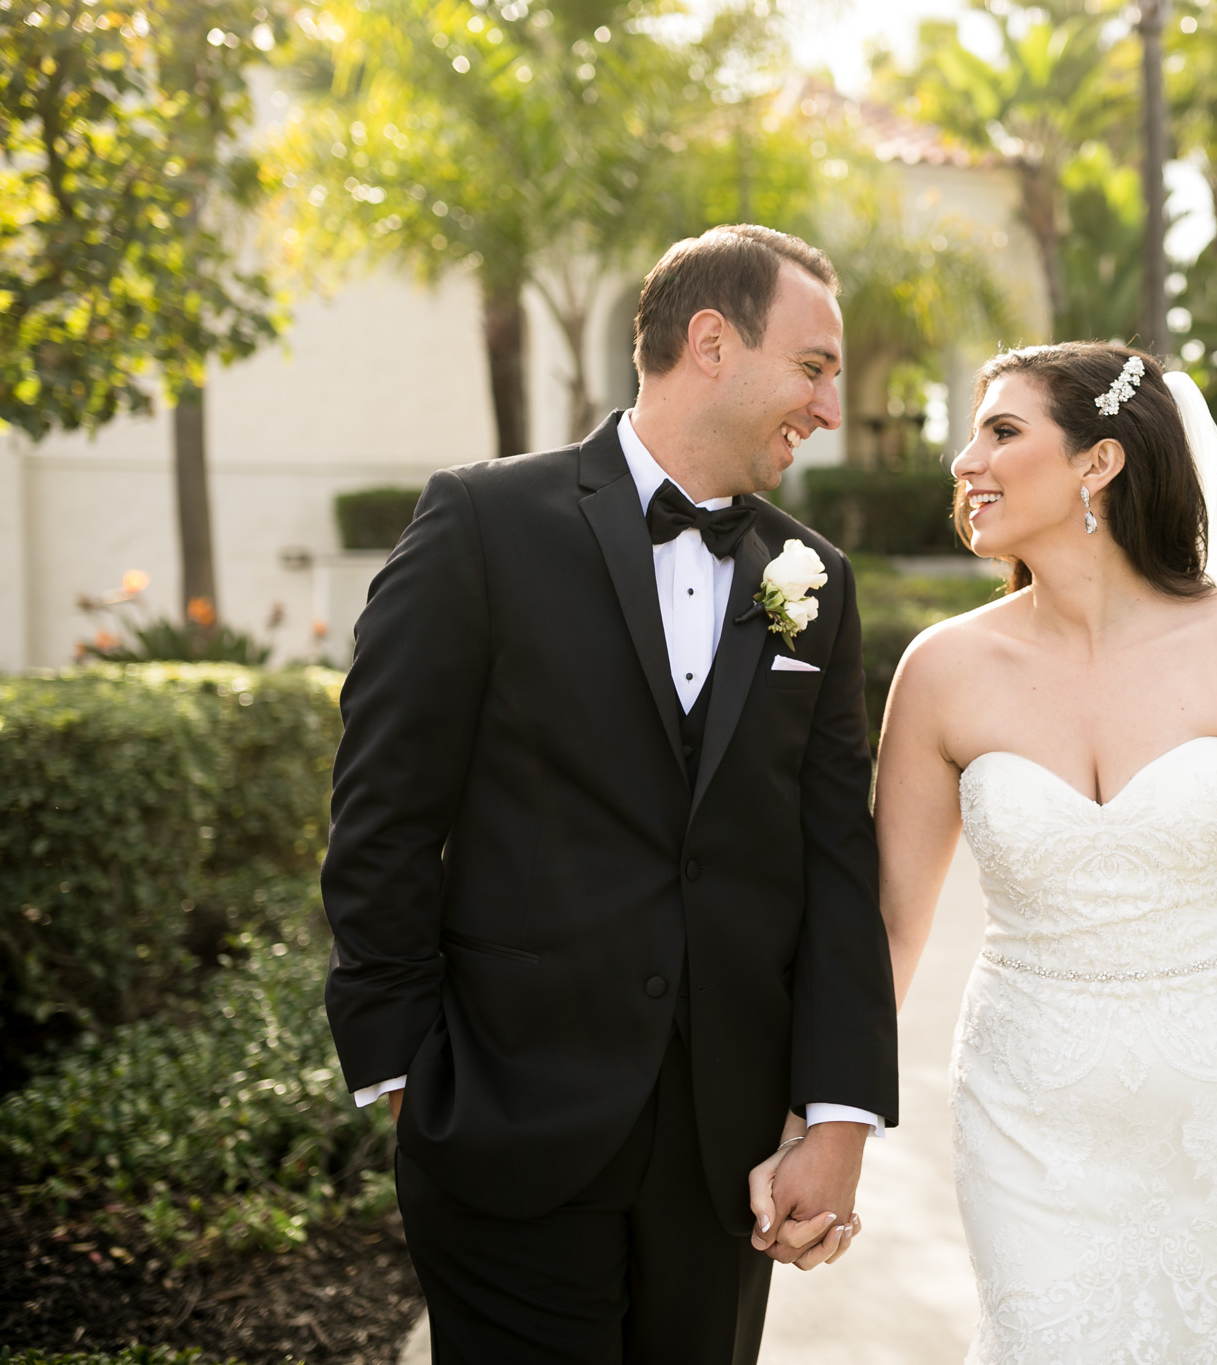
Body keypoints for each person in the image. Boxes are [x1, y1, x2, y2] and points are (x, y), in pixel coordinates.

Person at [320, 224, 897, 1365]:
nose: (828, 408)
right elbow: (382, 811)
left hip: (721, 1159)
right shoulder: (481, 524)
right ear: (711, 342)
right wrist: (405, 1075)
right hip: (502, 1123)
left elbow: (836, 869)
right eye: (815, 366)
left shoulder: (814, 584)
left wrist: (836, 1119)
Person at [872, 342, 1217, 1363]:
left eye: (1001, 431)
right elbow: (889, 928)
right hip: (1026, 1111)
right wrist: (816, 1128)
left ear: (1097, 463)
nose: (964, 460)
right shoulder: (941, 671)